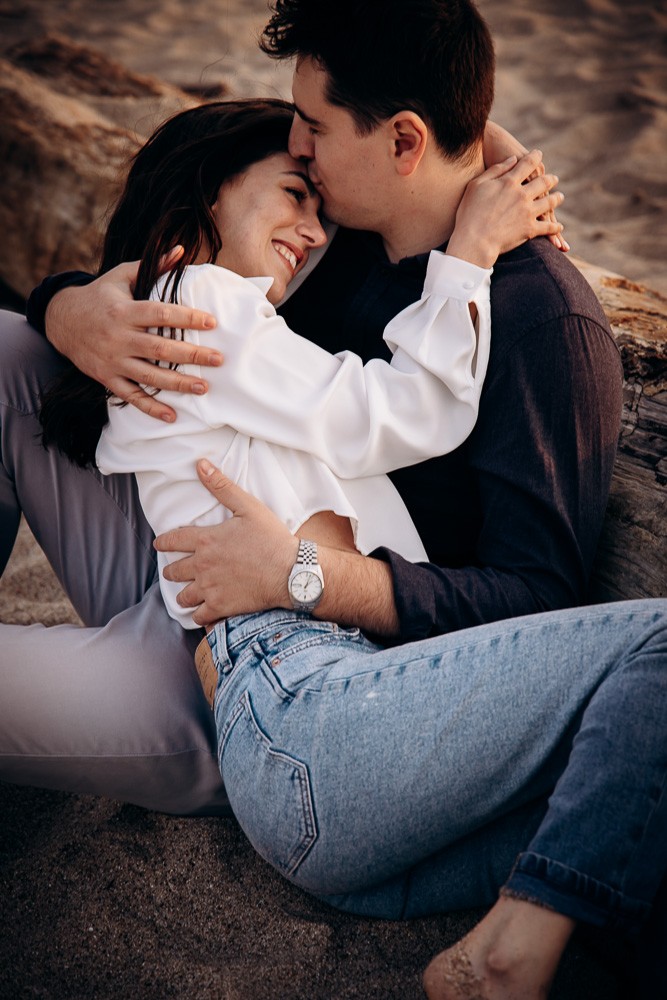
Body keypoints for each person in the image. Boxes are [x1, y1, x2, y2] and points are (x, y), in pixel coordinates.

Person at [1, 1, 664, 998]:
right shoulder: (334, 237)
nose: (300, 152)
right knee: (6, 346)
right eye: (294, 155)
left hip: (301, 661)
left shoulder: (537, 324)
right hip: (209, 600)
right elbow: (200, 226)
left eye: (312, 128)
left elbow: (535, 595)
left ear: (400, 142)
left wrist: (304, 575)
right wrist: (68, 306)